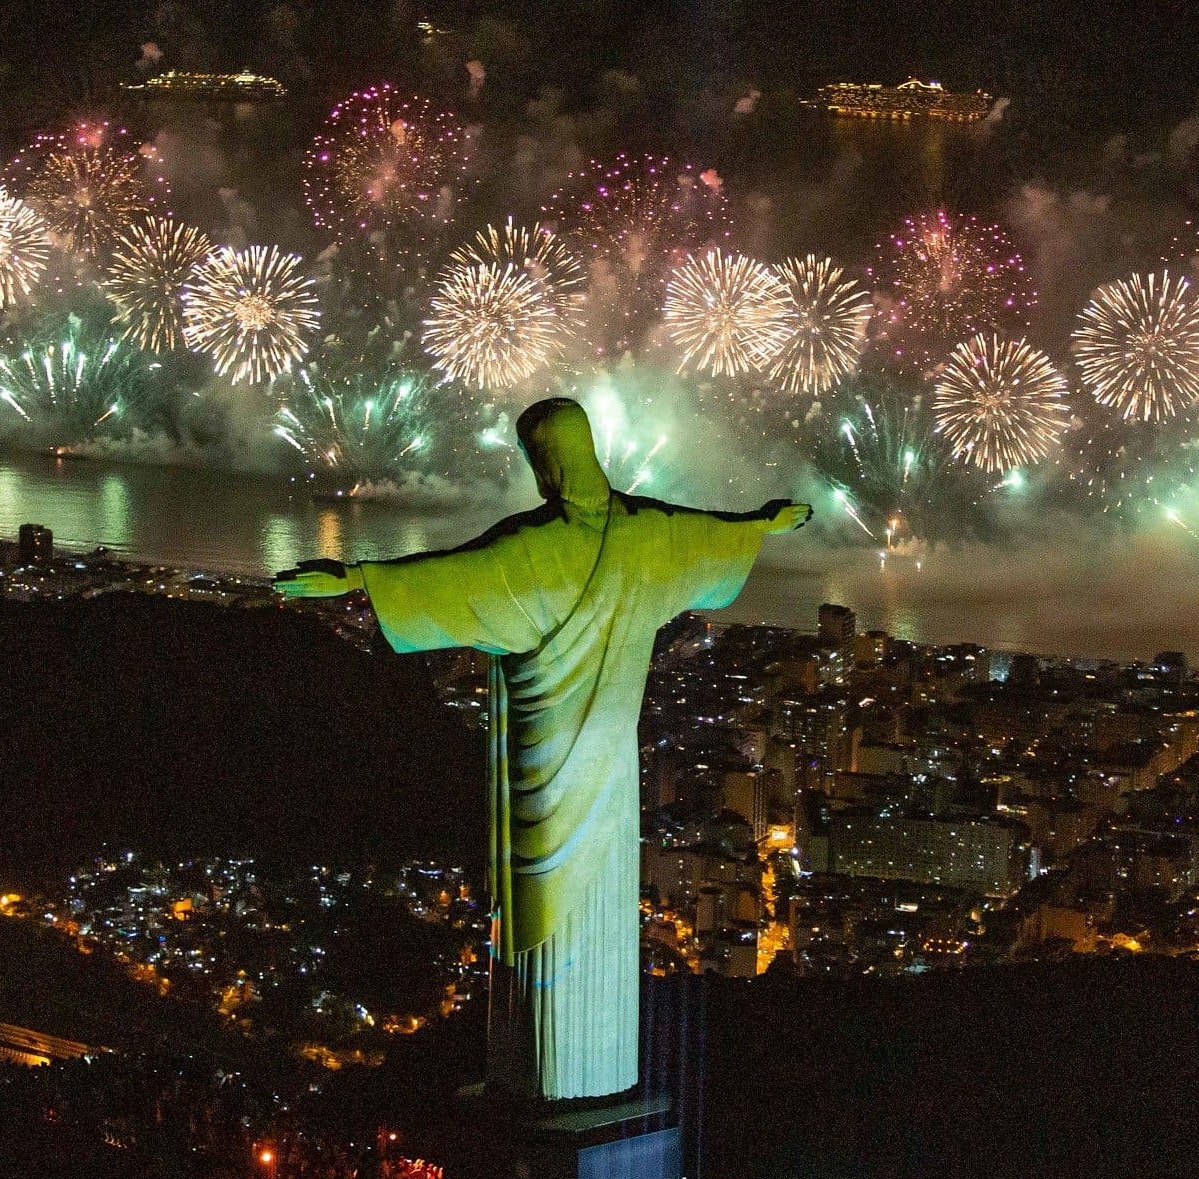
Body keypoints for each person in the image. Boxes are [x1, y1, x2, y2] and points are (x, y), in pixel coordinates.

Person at [274, 397, 810, 1102]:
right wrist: (760, 526)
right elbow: (711, 537)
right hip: (612, 773)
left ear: (545, 463)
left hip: (541, 765)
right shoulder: (650, 533)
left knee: (538, 912)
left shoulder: (535, 548)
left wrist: (358, 579)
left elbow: (449, 577)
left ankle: (547, 1081)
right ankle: (594, 1074)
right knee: (599, 909)